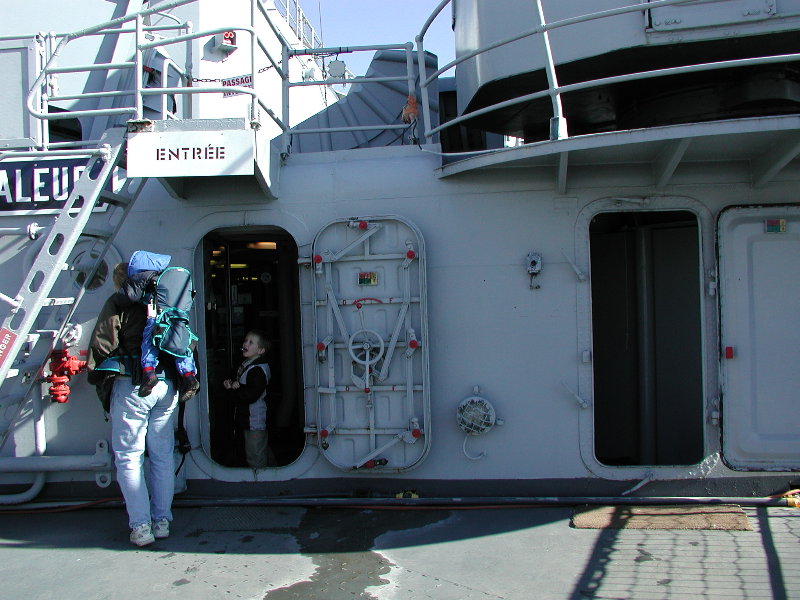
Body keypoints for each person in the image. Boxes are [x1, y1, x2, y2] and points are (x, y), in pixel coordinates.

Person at [87, 262, 181, 547]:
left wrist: (98, 377)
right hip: (166, 385)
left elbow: (103, 344)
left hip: (133, 385)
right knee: (163, 455)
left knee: (129, 457)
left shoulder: (119, 302)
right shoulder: (166, 298)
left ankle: (141, 526)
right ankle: (162, 521)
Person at [114, 250, 200, 402]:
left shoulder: (143, 276)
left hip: (157, 316)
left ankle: (149, 373)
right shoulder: (168, 276)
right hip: (178, 318)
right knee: (183, 347)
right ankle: (189, 376)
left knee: (149, 341)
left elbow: (129, 296)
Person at [224, 329, 275, 468]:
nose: (245, 344)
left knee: (255, 454)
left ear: (261, 350)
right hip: (248, 419)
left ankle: (260, 477)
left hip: (254, 420)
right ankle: (273, 470)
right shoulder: (248, 364)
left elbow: (251, 395)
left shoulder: (257, 370)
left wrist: (233, 390)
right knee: (260, 448)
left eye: (251, 342)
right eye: (246, 340)